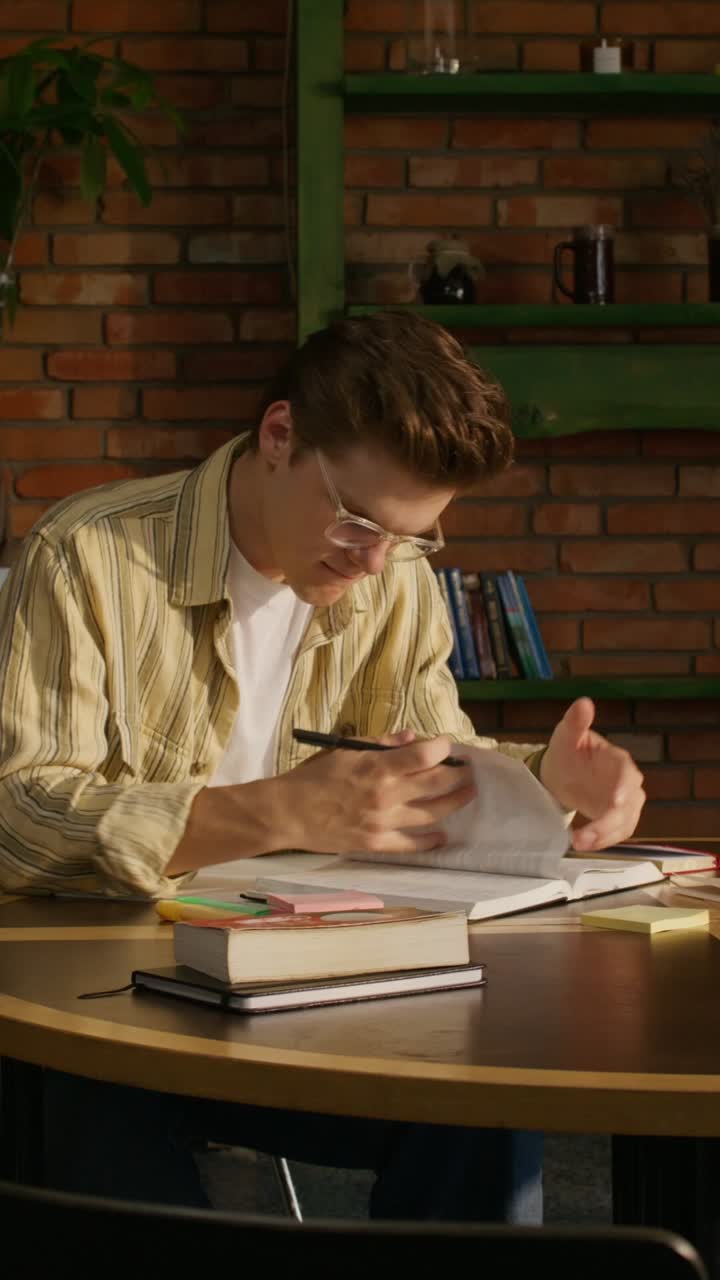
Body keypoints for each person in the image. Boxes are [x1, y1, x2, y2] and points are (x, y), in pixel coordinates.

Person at [0, 310, 645, 1217]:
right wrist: (281, 812)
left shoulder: (396, 582)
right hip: (103, 992)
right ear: (279, 436)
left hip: (307, 980)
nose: (375, 564)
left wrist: (546, 783)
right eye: (357, 523)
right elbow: (20, 814)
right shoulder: (87, 556)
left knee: (483, 1100)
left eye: (412, 538)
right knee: (89, 1115)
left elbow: (421, 761)